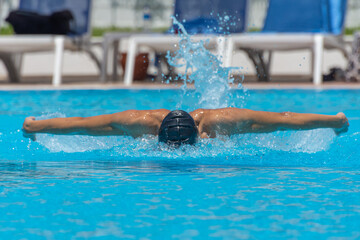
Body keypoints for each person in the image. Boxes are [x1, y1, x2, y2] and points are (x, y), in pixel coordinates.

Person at [22, 108, 349, 146]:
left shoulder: (222, 123)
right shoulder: (139, 124)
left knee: (267, 127)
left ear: (199, 134)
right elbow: (82, 125)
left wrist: (336, 122)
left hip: (222, 124)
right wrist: (35, 126)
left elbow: (283, 119)